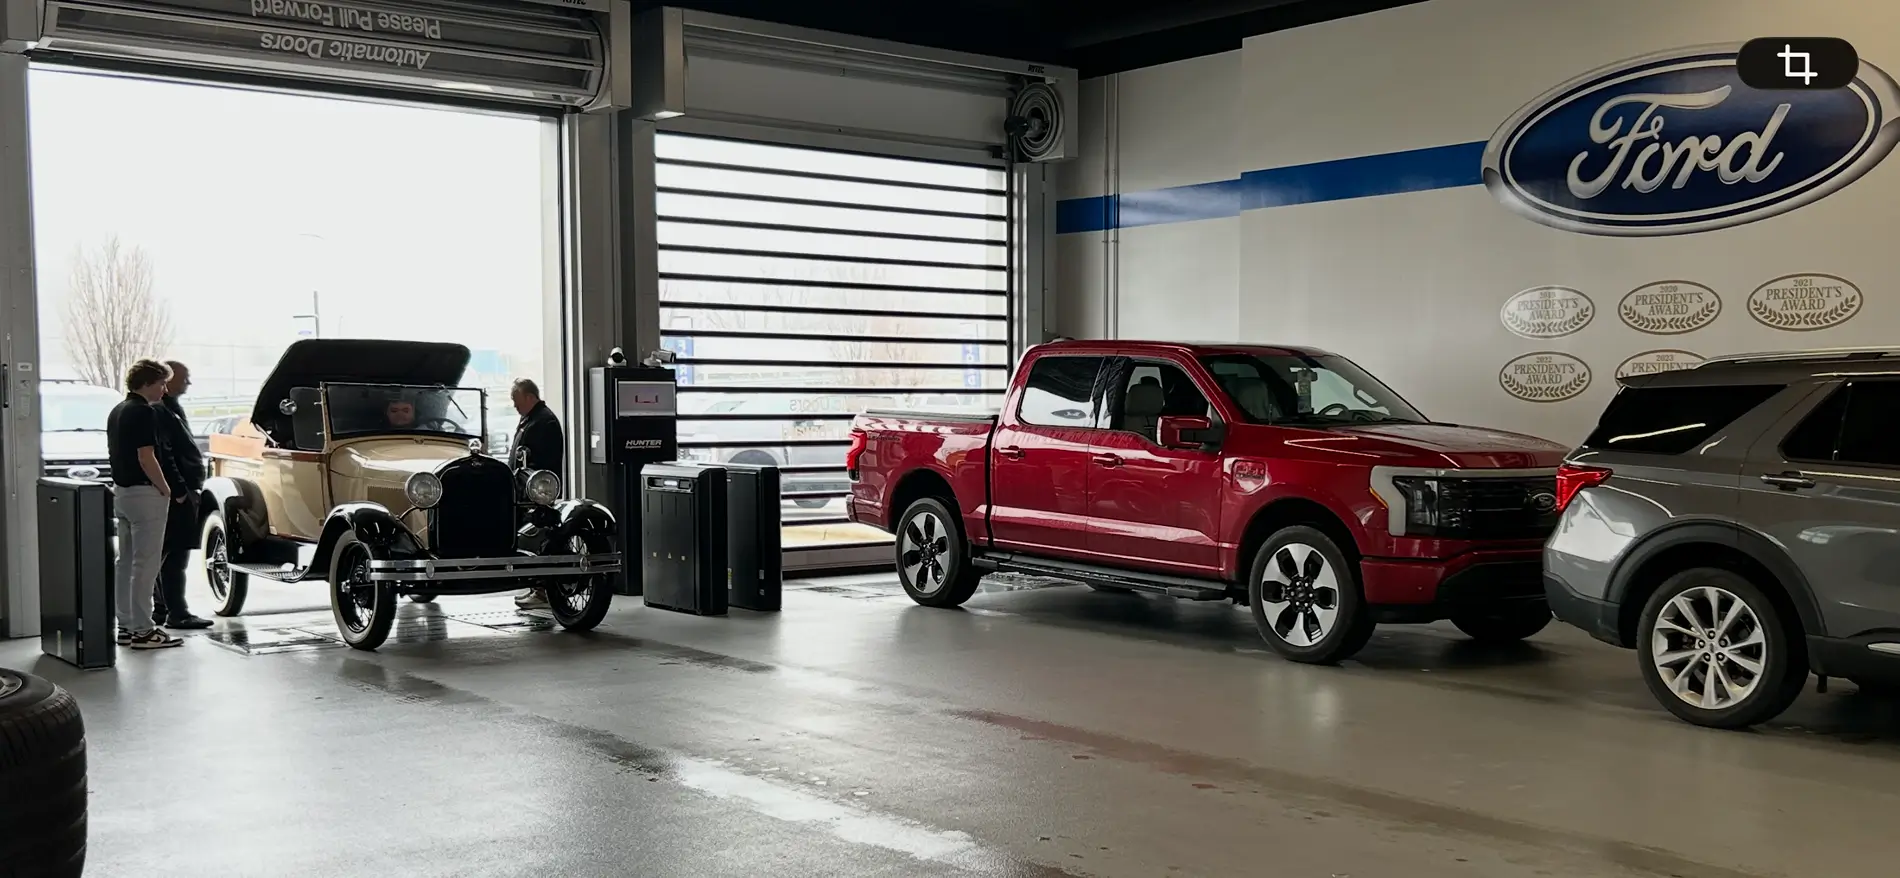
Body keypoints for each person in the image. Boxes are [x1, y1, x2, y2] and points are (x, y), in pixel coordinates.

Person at [108, 359, 184, 650]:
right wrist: (165, 488)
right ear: (147, 383)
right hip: (144, 494)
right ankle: (144, 630)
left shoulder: (117, 411)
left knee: (125, 562)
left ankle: (126, 626)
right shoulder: (143, 412)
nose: (164, 390)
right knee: (146, 564)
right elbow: (146, 457)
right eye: (162, 383)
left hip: (122, 494)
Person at [151, 360, 213, 629]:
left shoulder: (169, 408)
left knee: (166, 553)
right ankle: (178, 611)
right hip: (176, 493)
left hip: (178, 490)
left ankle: (163, 608)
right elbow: (167, 455)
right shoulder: (161, 411)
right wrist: (181, 491)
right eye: (183, 378)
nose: (188, 383)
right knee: (174, 555)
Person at [509, 378, 563, 610]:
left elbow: (536, 461)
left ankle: (542, 589)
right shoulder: (532, 419)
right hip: (527, 489)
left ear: (530, 397)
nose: (514, 405)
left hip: (537, 492)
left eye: (516, 400)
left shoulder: (543, 422)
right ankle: (537, 587)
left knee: (538, 537)